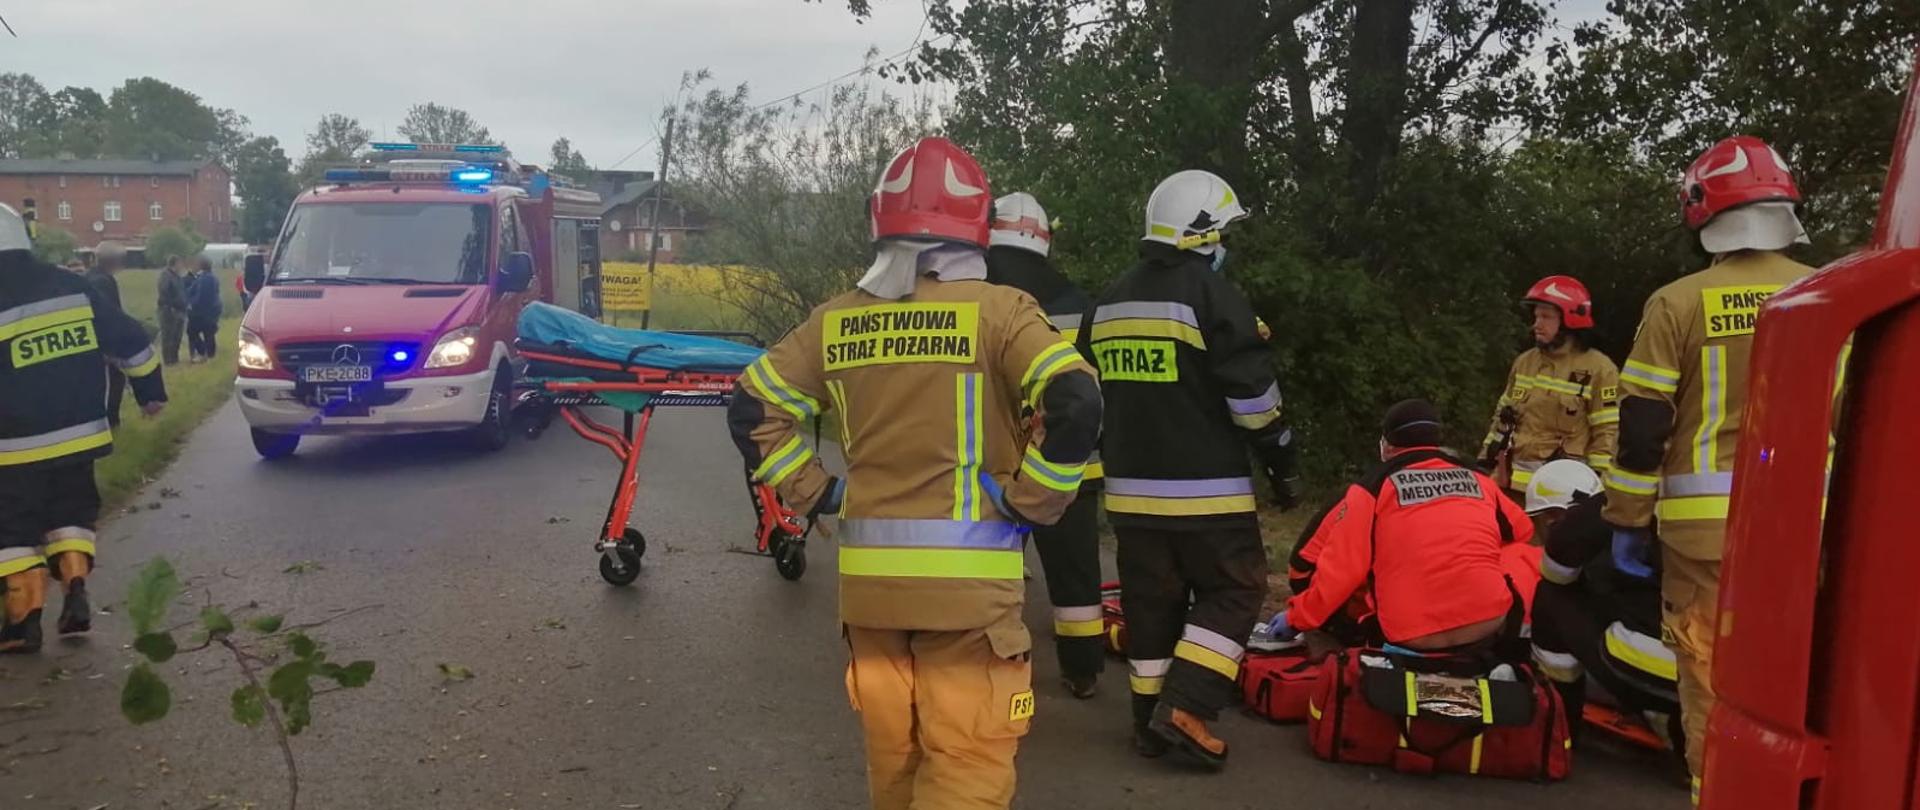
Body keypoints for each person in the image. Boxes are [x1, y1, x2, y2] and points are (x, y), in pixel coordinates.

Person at [727, 137, 1102, 810]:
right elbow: (1075, 400)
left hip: (871, 596)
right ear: (977, 225)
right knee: (964, 771)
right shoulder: (1001, 313)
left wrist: (819, 492)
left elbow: (752, 407)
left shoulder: (836, 321)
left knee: (894, 769)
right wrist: (1035, 501)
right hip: (970, 599)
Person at [1602, 135, 1817, 803]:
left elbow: (1641, 432)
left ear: (1703, 209)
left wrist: (1628, 519)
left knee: (1713, 687)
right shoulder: (1826, 295)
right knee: (1799, 682)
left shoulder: (1677, 303)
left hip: (1702, 538)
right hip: (1806, 531)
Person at [1077, 169, 1299, 769]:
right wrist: (1282, 462)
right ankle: (1187, 705)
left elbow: (1086, 396)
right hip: (1207, 494)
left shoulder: (1109, 299)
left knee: (1152, 603)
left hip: (1129, 496)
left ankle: (1148, 723)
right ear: (1202, 235)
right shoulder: (1209, 294)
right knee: (1235, 589)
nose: (1226, 245)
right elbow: (1254, 400)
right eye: (1224, 233)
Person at [0, 203, 167, 654]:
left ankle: (22, 622)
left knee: (12, 531)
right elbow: (132, 341)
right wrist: (150, 391)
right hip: (80, 435)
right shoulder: (73, 287)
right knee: (71, 514)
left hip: (12, 448)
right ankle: (75, 590)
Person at [1272, 400, 1533, 663]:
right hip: (1487, 624)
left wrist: (1297, 618)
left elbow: (1342, 571)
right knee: (1515, 553)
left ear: (1387, 444)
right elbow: (1522, 530)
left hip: (1410, 636)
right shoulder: (1477, 479)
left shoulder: (1371, 489)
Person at [984, 191, 1105, 699]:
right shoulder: (1078, 302)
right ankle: (1082, 671)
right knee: (1076, 574)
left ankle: (995, 659)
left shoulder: (979, 296)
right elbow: (1094, 388)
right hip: (1072, 466)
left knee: (993, 566)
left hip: (997, 465)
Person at [1524, 459, 1681, 756]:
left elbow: (1557, 572)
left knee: (1551, 597)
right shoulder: (1709, 506)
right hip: (1715, 672)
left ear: (1551, 518)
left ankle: (1563, 732)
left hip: (1655, 666)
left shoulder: (1602, 512)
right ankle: (1682, 737)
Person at [1479, 275, 1620, 496]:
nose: (1536, 324)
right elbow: (1502, 418)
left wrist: (1596, 482)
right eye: (1536, 316)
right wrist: (1486, 461)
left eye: (1546, 317)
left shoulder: (1600, 369)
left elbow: (1608, 433)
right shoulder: (1525, 362)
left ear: (1569, 320)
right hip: (1509, 487)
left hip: (1560, 494)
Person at [82, 241, 130, 426]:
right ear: (114, 261)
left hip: (92, 340)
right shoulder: (102, 282)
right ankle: (109, 422)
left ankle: (109, 420)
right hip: (103, 343)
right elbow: (108, 315)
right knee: (112, 381)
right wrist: (111, 348)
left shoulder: (90, 278)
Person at [188, 258, 222, 362]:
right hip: (212, 310)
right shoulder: (212, 278)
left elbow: (201, 296)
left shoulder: (204, 279)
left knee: (192, 332)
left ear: (201, 266)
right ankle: (211, 354)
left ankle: (204, 352)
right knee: (209, 332)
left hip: (202, 311)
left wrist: (191, 304)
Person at [157, 256, 189, 365]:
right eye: (179, 264)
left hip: (180, 310)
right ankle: (168, 360)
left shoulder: (177, 276)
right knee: (168, 336)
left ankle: (175, 359)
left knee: (177, 336)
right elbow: (164, 292)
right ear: (174, 264)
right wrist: (171, 306)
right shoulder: (165, 276)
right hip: (169, 310)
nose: (181, 266)